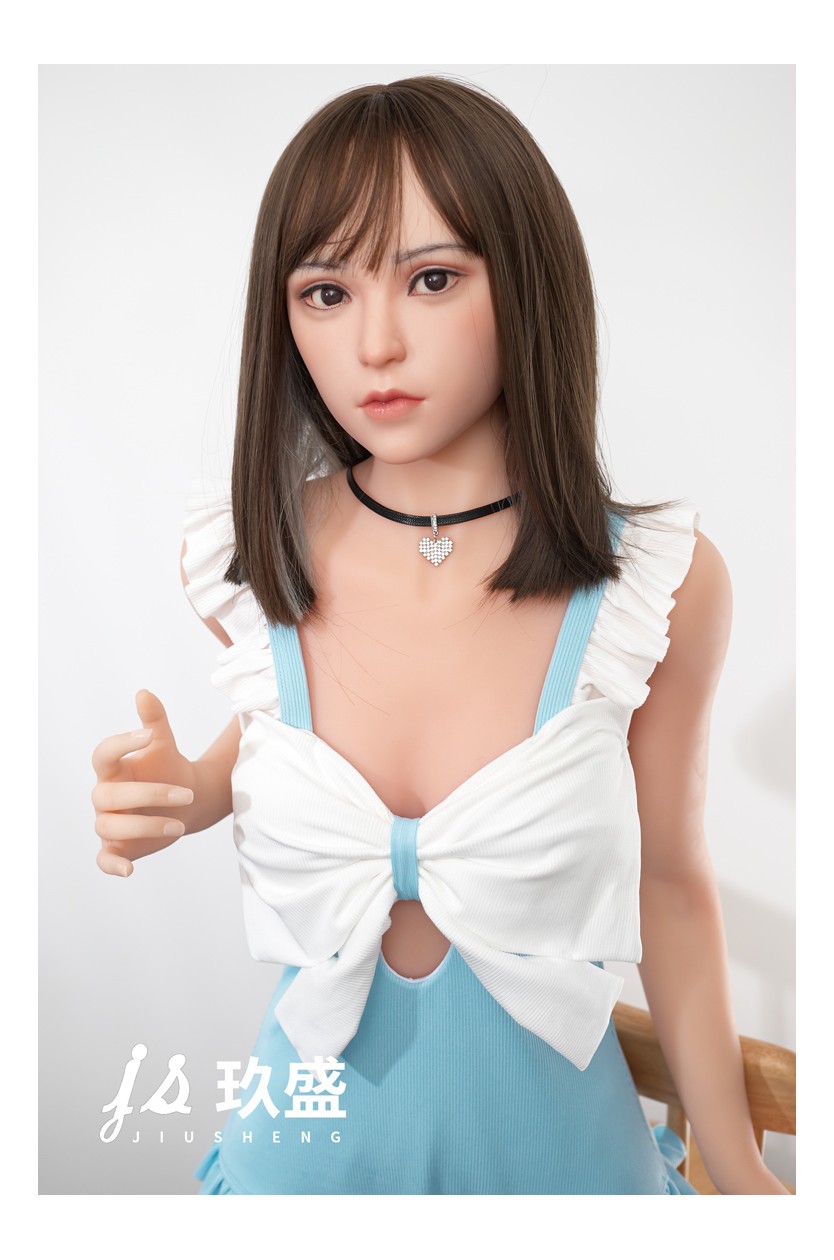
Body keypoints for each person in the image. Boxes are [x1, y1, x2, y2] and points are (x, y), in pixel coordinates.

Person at [91, 76, 788, 1195]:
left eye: (431, 279)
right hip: (297, 1177)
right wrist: (183, 791)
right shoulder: (243, 557)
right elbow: (284, 741)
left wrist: (742, 1172)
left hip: (569, 1177)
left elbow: (671, 885)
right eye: (326, 292)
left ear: (528, 280)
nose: (376, 343)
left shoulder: (658, 586)